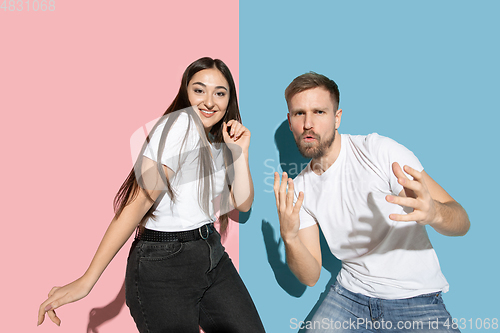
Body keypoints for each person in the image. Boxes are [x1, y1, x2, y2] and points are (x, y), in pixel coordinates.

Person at [38, 57, 266, 333]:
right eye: (199, 90)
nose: (209, 101)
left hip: (210, 254)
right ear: (185, 91)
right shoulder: (181, 127)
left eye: (220, 93)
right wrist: (88, 279)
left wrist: (241, 152)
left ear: (229, 99)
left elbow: (243, 202)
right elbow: (138, 203)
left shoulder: (218, 139)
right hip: (164, 264)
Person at [273, 72, 469, 332]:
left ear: (337, 117)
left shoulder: (379, 152)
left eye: (319, 112)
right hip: (350, 296)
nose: (308, 123)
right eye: (299, 114)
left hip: (416, 297)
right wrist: (289, 236)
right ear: (290, 121)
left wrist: (434, 214)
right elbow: (310, 276)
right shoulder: (299, 188)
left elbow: (461, 220)